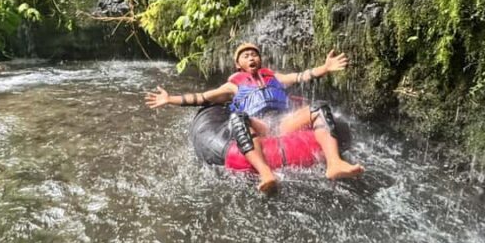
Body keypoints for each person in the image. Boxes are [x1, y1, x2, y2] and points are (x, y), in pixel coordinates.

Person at [145, 42, 364, 192]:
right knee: (238, 118)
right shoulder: (233, 86)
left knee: (318, 107)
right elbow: (202, 98)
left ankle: (334, 164)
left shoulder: (274, 77)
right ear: (238, 64)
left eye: (254, 54)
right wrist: (169, 99)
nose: (251, 57)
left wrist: (325, 67)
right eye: (246, 56)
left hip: (284, 122)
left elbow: (302, 76)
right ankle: (266, 173)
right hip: (261, 125)